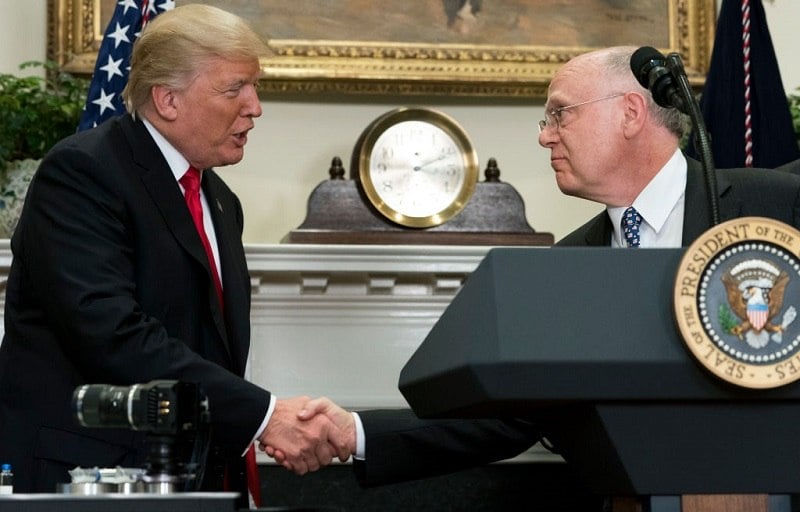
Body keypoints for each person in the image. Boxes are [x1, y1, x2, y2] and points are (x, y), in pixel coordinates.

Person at [266, 45, 800, 487]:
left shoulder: (775, 205)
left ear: (631, 113)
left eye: (560, 113)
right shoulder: (567, 265)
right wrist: (353, 431)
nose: (545, 135)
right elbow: (515, 416)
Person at [0, 4, 348, 505]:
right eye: (235, 89)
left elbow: (209, 351)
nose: (255, 106)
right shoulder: (82, 173)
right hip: (89, 478)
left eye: (254, 86)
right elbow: (112, 334)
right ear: (167, 100)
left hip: (187, 478)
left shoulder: (221, 200)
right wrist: (264, 416)